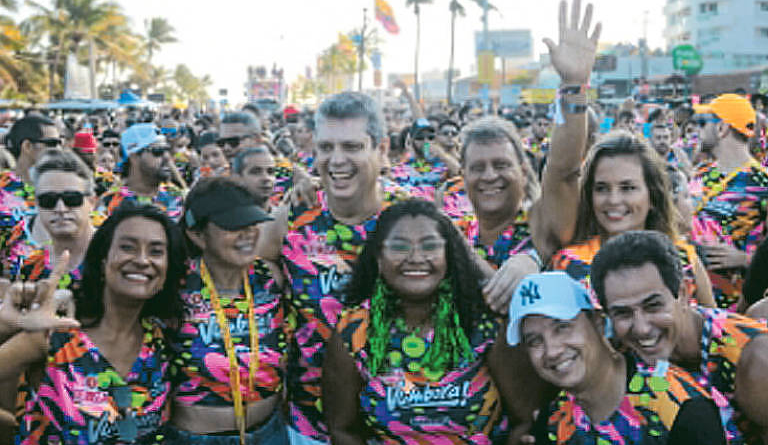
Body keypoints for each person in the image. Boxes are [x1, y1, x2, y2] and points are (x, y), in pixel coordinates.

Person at [323, 200, 536, 444]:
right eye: (400, 247)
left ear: (449, 256)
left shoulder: (485, 323)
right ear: (379, 259)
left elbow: (524, 419)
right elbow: (342, 429)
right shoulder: (354, 331)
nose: (415, 258)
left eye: (430, 246)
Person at [256, 91, 392, 444]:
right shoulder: (293, 217)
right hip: (308, 426)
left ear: (382, 150)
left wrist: (526, 259)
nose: (337, 160)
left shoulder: (410, 220)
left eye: (352, 147)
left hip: (396, 426)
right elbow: (253, 266)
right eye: (326, 147)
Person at [1, 202, 185, 444]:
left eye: (156, 252)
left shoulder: (163, 343)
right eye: (127, 247)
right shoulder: (56, 335)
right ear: (102, 259)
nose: (142, 260)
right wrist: (6, 325)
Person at [591, 230, 768, 444]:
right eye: (622, 313)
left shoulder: (755, 358)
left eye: (653, 306)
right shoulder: (615, 355)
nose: (642, 328)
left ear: (684, 293)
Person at [509, 272, 726, 445]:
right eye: (535, 341)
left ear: (598, 323)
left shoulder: (678, 406)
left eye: (562, 327)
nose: (552, 351)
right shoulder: (553, 423)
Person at [168, 177, 288, 444]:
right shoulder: (174, 286)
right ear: (197, 234)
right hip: (196, 439)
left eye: (251, 222)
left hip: (270, 432)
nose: (247, 233)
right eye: (233, 226)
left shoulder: (269, 277)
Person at [550, 132, 715, 308]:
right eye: (601, 188)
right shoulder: (568, 265)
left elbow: (716, 328)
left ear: (652, 195)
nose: (613, 200)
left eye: (627, 188)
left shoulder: (684, 259)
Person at [689, 94, 768, 311]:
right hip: (693, 303)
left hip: (739, 310)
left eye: (704, 123)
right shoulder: (700, 174)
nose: (698, 130)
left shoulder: (762, 183)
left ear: (722, 128)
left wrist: (746, 259)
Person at [1, 114, 62, 277]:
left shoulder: (65, 190)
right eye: (52, 144)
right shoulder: (3, 190)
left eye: (60, 143)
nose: (59, 150)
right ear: (27, 146)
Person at [93, 123, 185, 226]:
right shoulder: (110, 202)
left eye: (166, 151)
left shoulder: (175, 195)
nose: (167, 158)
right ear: (134, 157)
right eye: (158, 152)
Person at [232, 147, 277, 211]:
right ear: (238, 178)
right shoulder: (226, 218)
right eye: (256, 172)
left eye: (271, 172)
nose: (266, 178)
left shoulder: (287, 217)